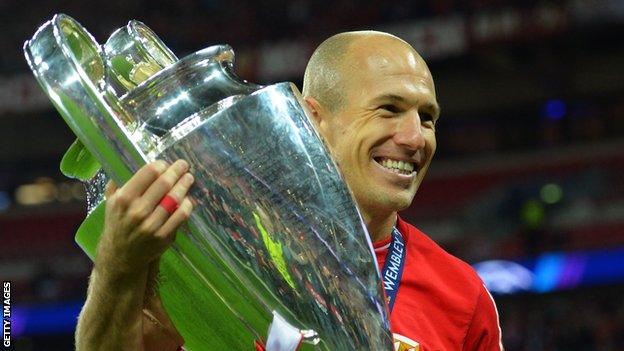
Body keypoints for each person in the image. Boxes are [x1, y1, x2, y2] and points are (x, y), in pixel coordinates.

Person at [75, 31, 503, 350]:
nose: (415, 138)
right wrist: (116, 266)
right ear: (313, 121)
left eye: (427, 118)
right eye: (388, 110)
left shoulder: (461, 296)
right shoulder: (213, 246)